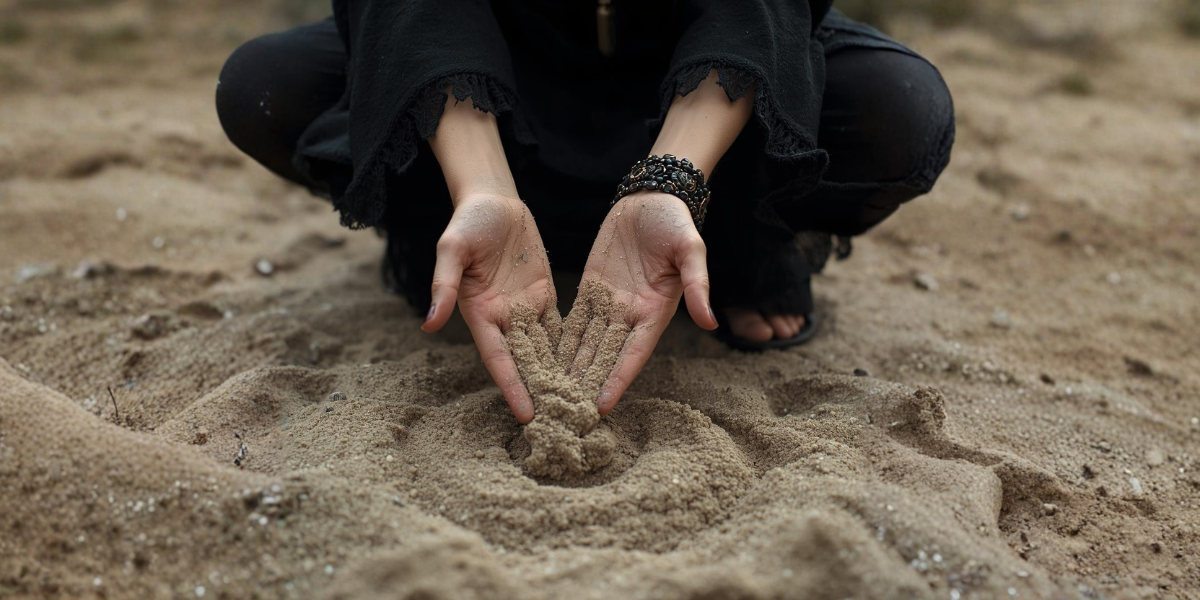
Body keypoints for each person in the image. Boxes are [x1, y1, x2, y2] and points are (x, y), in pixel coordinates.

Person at [215, 0, 955, 424]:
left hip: (705, 81)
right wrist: (482, 186)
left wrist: (671, 178)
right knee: (267, 86)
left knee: (899, 111)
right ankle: (473, 216)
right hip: (501, 76)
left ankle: (730, 242)